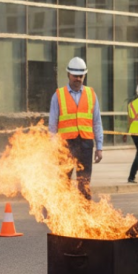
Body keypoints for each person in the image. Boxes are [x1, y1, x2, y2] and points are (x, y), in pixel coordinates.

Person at [48, 57, 103, 199]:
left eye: (80, 76)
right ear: (68, 75)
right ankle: (64, 216)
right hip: (66, 146)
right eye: (75, 76)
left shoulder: (91, 94)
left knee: (84, 184)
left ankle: (84, 217)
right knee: (63, 183)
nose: (78, 79)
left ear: (84, 76)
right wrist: (53, 147)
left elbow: (97, 122)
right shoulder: (58, 95)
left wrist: (99, 147)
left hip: (85, 145)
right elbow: (52, 125)